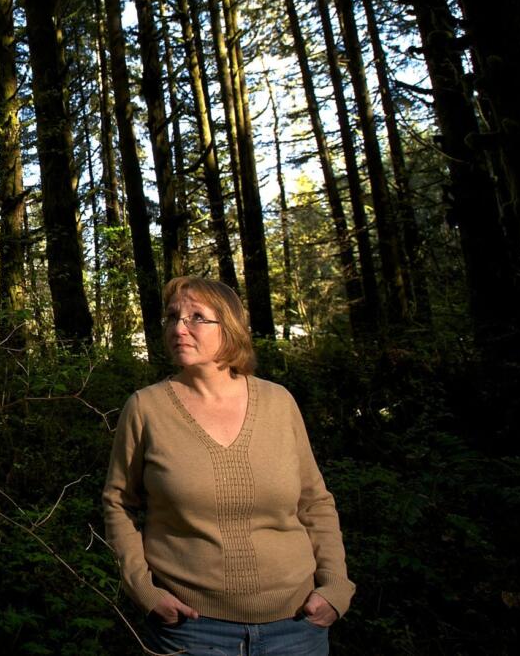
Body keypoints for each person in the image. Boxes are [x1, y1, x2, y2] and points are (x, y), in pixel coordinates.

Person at [103, 276, 354, 655]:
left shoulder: (279, 403)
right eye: (172, 317)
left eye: (196, 317)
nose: (179, 327)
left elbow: (315, 502)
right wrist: (144, 589)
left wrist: (335, 586)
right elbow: (118, 502)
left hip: (298, 626)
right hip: (191, 629)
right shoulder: (146, 409)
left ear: (230, 328)